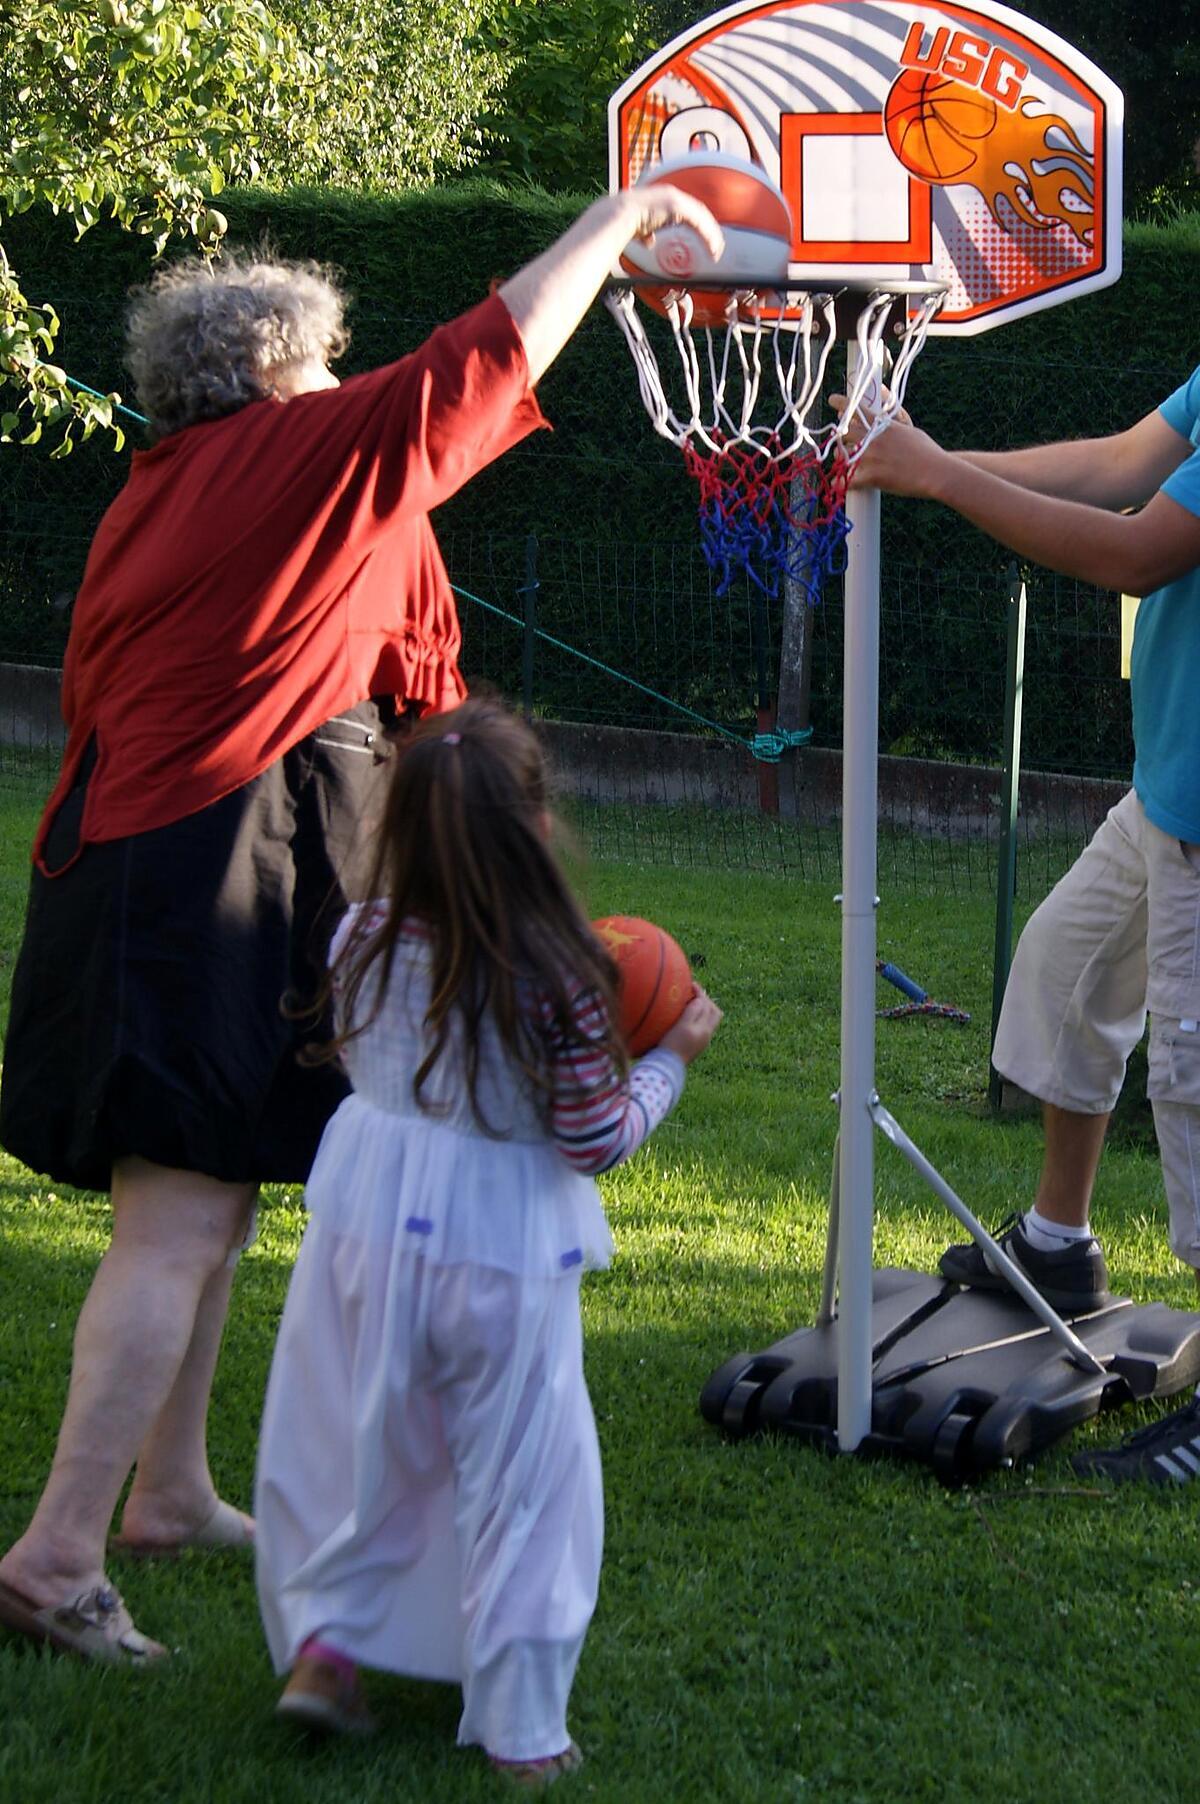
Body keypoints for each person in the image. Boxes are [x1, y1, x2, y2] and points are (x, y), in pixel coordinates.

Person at [0, 183, 726, 1664]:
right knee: (180, 1212)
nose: (351, 383)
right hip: (191, 865)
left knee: (219, 1190)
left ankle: (171, 1491)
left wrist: (498, 885)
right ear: (276, 375)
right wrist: (623, 215)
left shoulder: (260, 498)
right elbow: (487, 357)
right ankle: (54, 1554)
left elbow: (425, 689)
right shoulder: (278, 461)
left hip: (212, 853)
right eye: (331, 364)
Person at [253, 696, 722, 1784]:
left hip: (367, 1229)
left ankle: (328, 1652)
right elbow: (594, 1138)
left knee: (367, 1446)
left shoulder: (358, 932)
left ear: (401, 825)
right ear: (535, 827)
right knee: (527, 1478)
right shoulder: (555, 973)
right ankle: (521, 1722)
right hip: (499, 1245)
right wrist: (670, 1058)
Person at [843, 363, 1200, 1485]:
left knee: (1192, 1077)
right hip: (1169, 790)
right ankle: (1059, 1243)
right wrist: (926, 466)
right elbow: (1115, 463)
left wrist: (943, 478)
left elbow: (1136, 546)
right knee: (1062, 966)